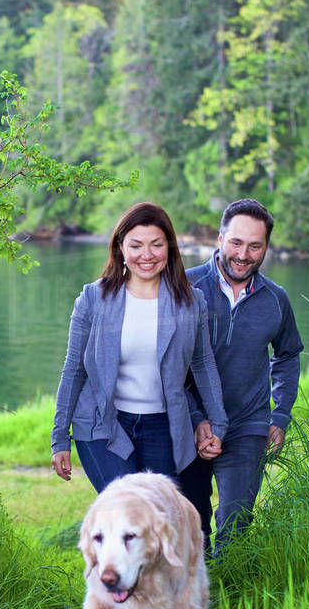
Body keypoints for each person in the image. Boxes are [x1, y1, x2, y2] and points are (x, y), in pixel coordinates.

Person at [51, 202, 228, 493]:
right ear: (120, 247)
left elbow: (203, 365)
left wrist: (218, 425)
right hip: (102, 422)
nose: (146, 255)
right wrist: (59, 438)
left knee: (156, 516)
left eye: (156, 245)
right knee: (127, 505)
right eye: (136, 245)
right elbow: (74, 369)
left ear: (169, 248)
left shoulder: (190, 302)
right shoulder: (93, 298)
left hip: (163, 426)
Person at [181, 198, 303, 553]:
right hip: (189, 425)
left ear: (266, 247)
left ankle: (230, 594)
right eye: (236, 242)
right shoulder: (184, 288)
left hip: (248, 426)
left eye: (255, 245)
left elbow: (288, 355)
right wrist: (196, 418)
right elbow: (165, 363)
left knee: (235, 526)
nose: (243, 254)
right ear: (219, 238)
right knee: (192, 525)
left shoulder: (275, 300)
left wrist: (279, 415)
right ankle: (194, 599)